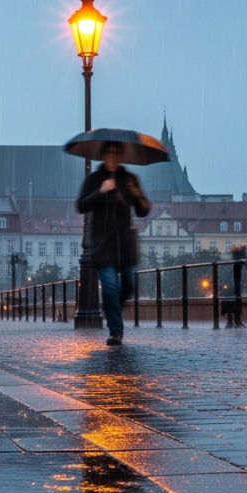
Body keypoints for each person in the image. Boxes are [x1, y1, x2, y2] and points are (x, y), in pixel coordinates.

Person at [76, 140, 150, 347]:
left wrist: (135, 195)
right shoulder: (94, 180)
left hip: (125, 243)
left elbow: (143, 210)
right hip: (103, 243)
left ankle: (111, 309)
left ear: (120, 157)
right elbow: (81, 205)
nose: (112, 158)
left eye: (116, 154)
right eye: (108, 154)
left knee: (129, 285)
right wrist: (100, 191)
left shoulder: (130, 180)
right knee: (109, 286)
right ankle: (116, 331)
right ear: (103, 156)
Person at [222, 245, 247, 329]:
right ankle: (236, 321)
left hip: (230, 286)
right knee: (236, 301)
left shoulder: (233, 261)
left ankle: (231, 322)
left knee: (231, 301)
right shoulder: (239, 262)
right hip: (234, 286)